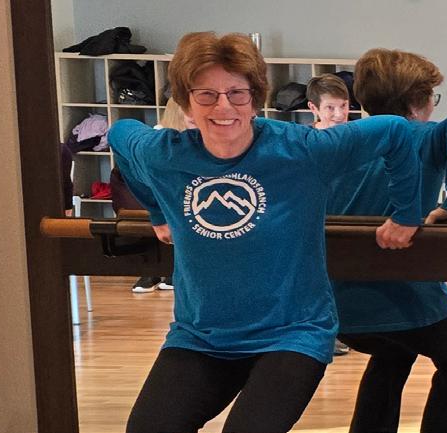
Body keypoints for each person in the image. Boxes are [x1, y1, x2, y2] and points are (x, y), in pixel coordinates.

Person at [111, 31, 426, 432]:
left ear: (255, 98)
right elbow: (120, 135)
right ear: (186, 101)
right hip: (201, 335)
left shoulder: (303, 150)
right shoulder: (164, 155)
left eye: (237, 93)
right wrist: (157, 210)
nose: (223, 106)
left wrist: (407, 214)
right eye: (206, 94)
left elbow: (395, 131)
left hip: (291, 335)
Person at [324, 48, 447, 433]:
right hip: (402, 297)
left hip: (336, 304)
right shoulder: (424, 136)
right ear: (418, 101)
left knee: (394, 352)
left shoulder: (337, 140)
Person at [123, 102, 186, 293]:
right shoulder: (155, 143)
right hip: (162, 202)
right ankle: (153, 269)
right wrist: (157, 213)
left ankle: (173, 270)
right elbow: (120, 130)